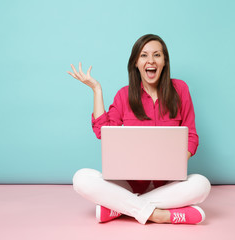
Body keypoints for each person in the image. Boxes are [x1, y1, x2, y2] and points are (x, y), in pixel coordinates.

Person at [67, 34, 211, 225]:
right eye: (144, 55)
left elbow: (192, 136)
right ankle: (161, 215)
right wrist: (97, 90)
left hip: (169, 183)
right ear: (135, 62)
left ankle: (120, 208)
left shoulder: (180, 89)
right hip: (130, 182)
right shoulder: (124, 95)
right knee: (81, 178)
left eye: (157, 55)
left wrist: (174, 164)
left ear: (164, 61)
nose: (150, 61)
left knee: (201, 185)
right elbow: (103, 132)